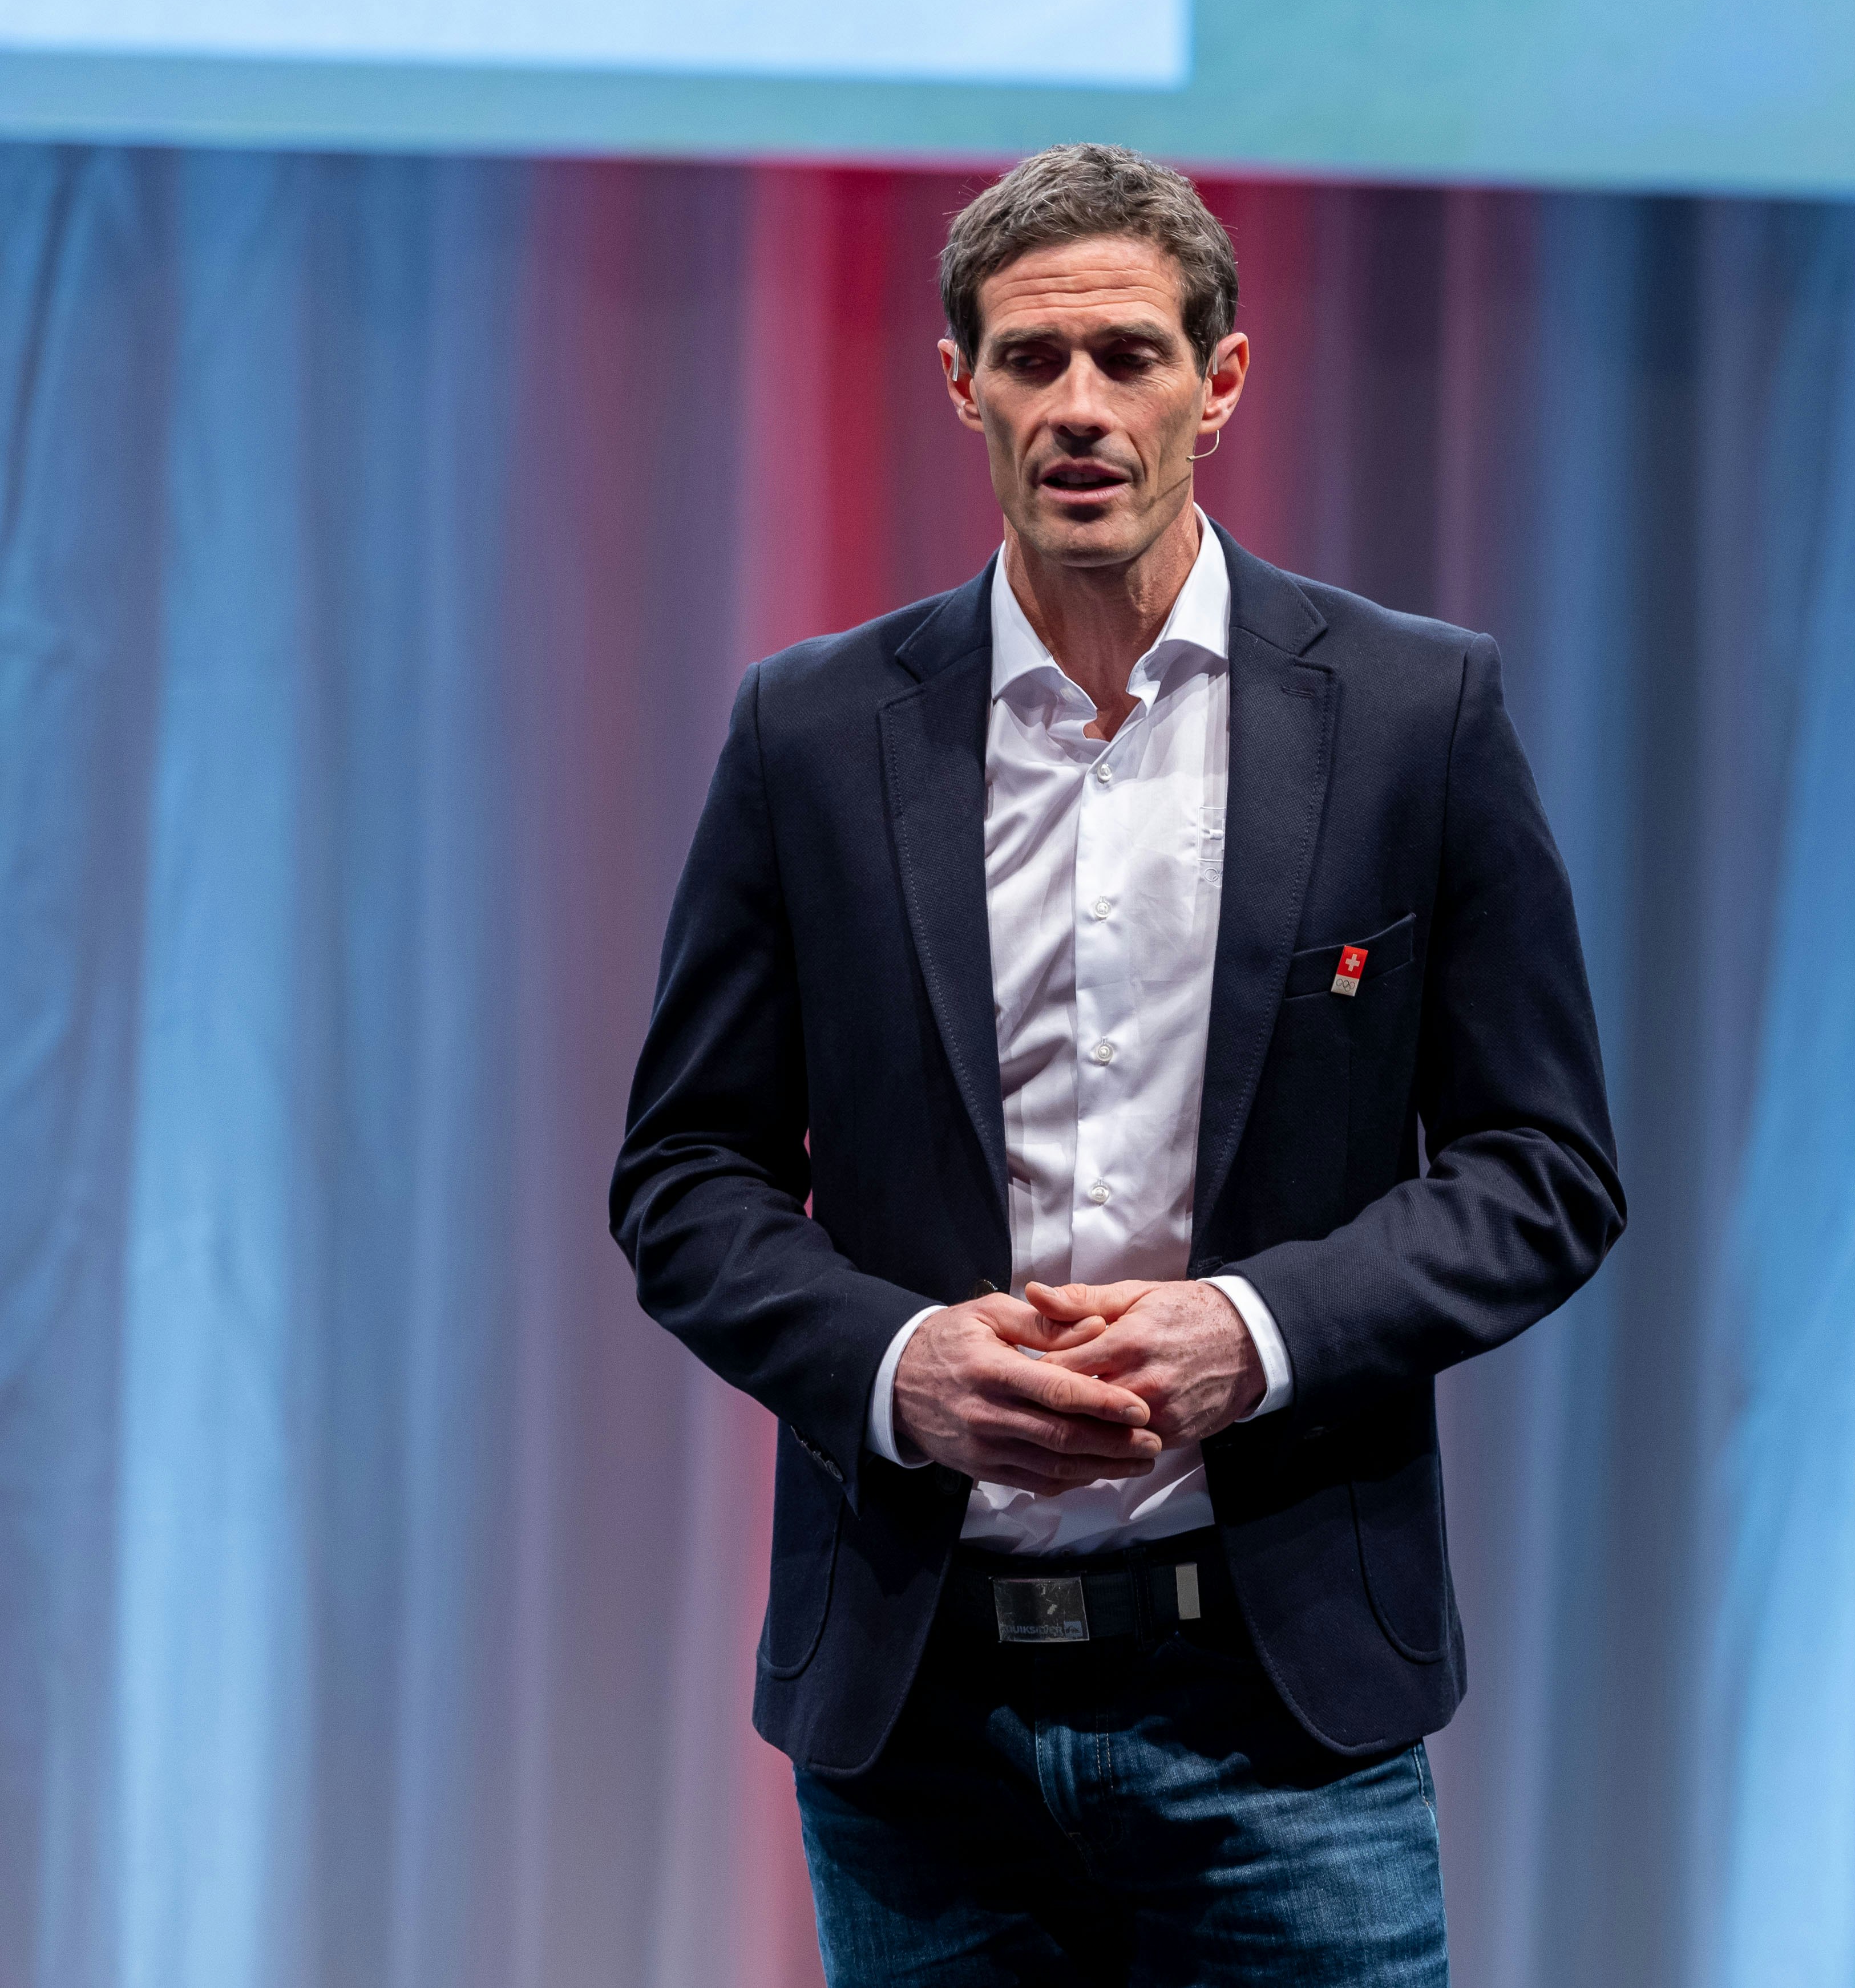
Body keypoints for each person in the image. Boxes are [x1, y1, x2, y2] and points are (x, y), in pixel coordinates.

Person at [610, 142, 1623, 1985]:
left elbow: (1542, 1166)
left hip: (1278, 1703)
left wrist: (1253, 1329)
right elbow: (687, 1181)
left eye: (1132, 356)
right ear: (960, 384)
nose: (1081, 406)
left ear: (1218, 382)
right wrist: (903, 1365)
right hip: (922, 1716)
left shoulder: (1412, 714)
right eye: (1032, 358)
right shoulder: (816, 731)